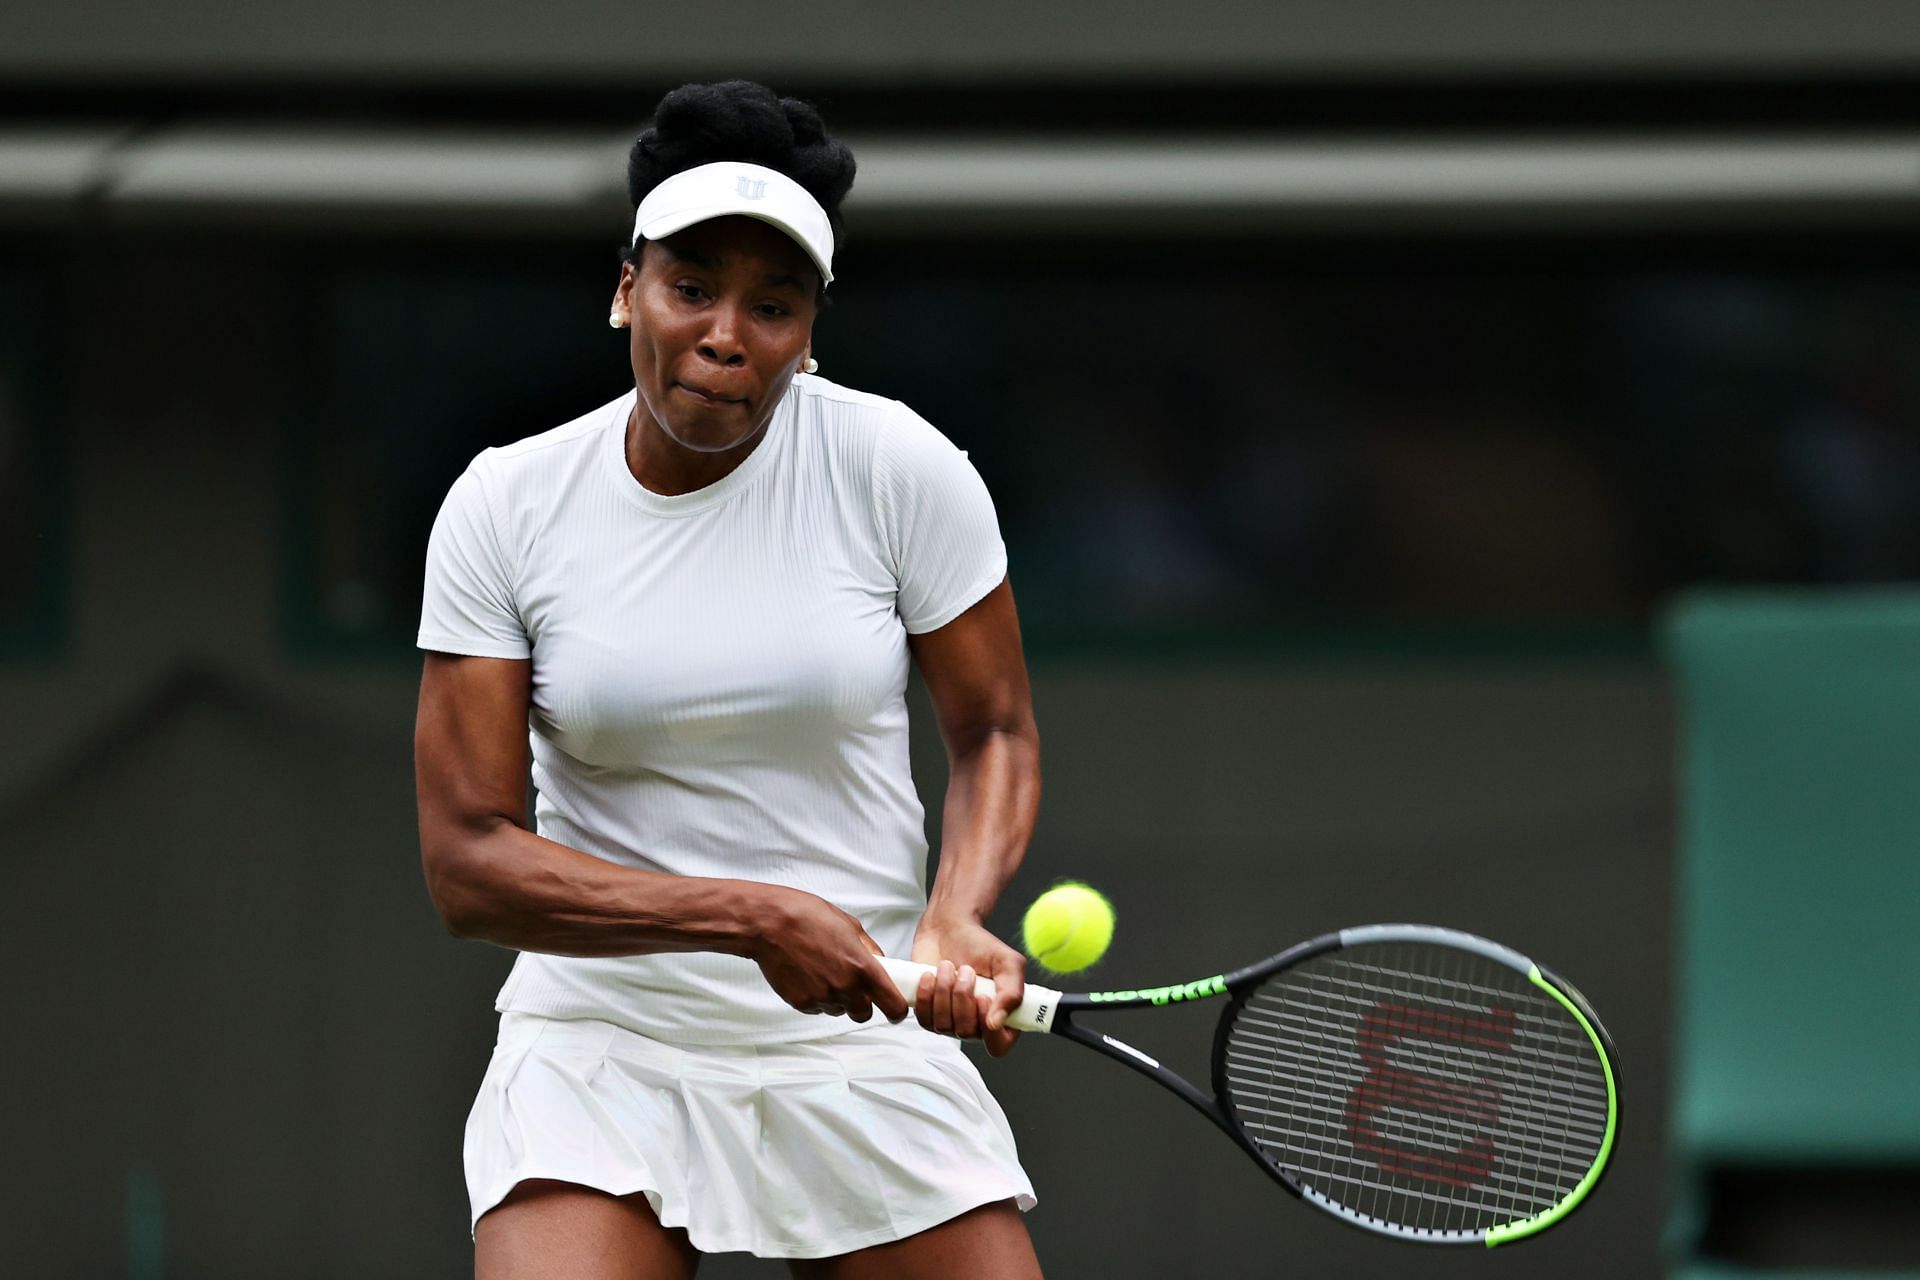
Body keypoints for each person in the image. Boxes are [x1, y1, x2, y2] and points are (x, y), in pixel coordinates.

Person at [413, 79, 1045, 1279]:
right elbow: (468, 862)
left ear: (810, 330)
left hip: (866, 1037)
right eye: (691, 287)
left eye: (774, 303)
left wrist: (954, 911)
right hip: (604, 1045)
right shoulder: (507, 503)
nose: (725, 334)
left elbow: (996, 729)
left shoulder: (901, 468)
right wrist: (746, 913)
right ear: (626, 289)